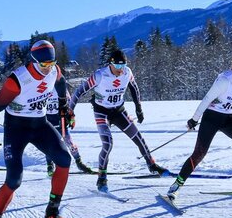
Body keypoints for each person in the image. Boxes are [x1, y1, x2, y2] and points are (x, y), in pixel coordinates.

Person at [0, 40, 75, 218]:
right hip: (16, 128)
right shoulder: (18, 80)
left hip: (40, 124)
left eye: (51, 63)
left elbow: (60, 82)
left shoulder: (53, 70)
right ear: (33, 62)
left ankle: (52, 213)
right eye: (43, 65)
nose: (48, 68)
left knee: (64, 160)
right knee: (14, 179)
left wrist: (63, 105)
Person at [68, 48, 168, 193]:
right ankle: (101, 177)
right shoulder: (100, 75)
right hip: (102, 112)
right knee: (108, 144)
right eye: (118, 66)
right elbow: (79, 91)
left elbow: (134, 89)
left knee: (138, 137)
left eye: (124, 65)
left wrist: (138, 108)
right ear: (111, 64)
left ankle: (152, 165)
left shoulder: (127, 72)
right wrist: (71, 112)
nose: (121, 69)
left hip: (118, 110)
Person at [166, 50, 232, 201]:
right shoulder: (225, 80)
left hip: (228, 118)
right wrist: (194, 119)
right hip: (212, 118)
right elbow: (207, 98)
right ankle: (176, 186)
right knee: (199, 154)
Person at [44, 72, 95, 175]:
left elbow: (69, 103)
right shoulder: (43, 87)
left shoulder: (60, 88)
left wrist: (71, 117)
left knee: (69, 142)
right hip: (47, 120)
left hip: (60, 120)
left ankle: (79, 162)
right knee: (48, 144)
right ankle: (50, 165)